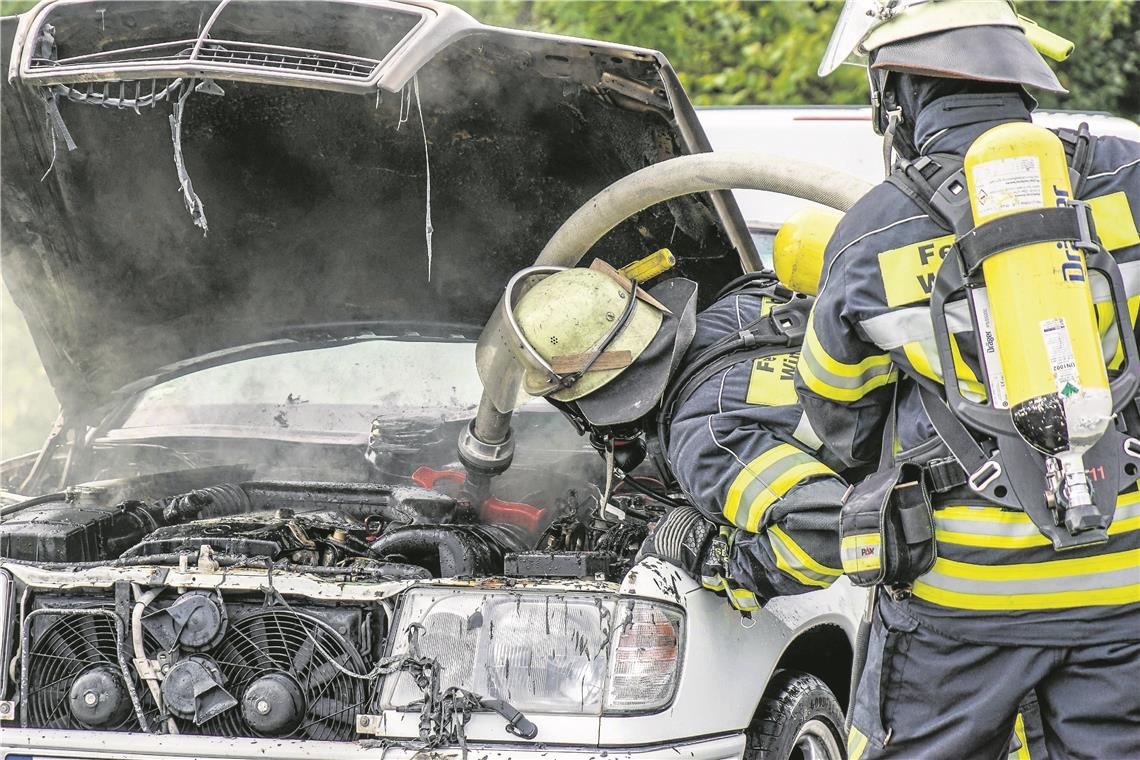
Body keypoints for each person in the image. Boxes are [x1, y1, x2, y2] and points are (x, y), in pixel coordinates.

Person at [801, 1, 1140, 758]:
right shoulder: (1129, 174)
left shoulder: (876, 230)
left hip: (965, 598)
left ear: (899, 96)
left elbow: (839, 420)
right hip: (1125, 585)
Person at [494, 256, 847, 614]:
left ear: (588, 396)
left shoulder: (704, 440)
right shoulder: (742, 306)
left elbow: (828, 532)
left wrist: (711, 555)